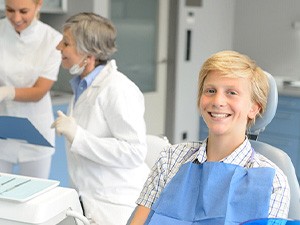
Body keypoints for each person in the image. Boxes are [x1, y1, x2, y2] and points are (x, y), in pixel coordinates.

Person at [129, 50, 290, 225]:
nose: (218, 101)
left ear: (254, 108)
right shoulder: (170, 159)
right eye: (210, 90)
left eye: (231, 93)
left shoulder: (272, 181)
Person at [51, 12, 149, 225]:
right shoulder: (82, 85)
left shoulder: (118, 89)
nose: (59, 47)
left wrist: (78, 136)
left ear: (88, 52)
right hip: (90, 199)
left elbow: (134, 152)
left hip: (117, 204)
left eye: (66, 43)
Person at [0, 0, 62, 178]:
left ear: (39, 5)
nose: (16, 17)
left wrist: (5, 92)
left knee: (37, 195)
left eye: (24, 11)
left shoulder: (53, 39)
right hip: (3, 127)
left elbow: (39, 91)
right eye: (10, 10)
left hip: (36, 132)